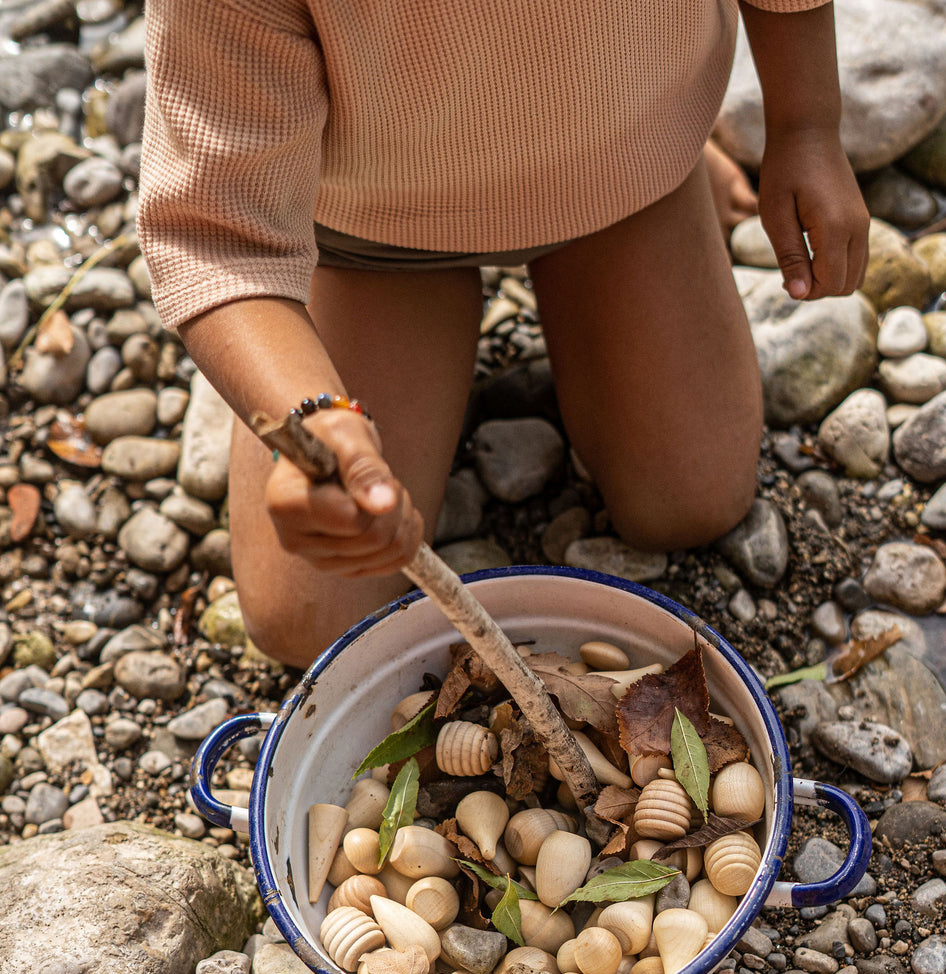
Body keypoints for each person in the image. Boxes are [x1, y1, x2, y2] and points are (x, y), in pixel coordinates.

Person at [137, 0, 869, 670]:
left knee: (692, 498)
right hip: (373, 225)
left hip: (623, 164)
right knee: (312, 617)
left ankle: (685, 158)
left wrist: (807, 124)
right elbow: (217, 237)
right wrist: (307, 416)